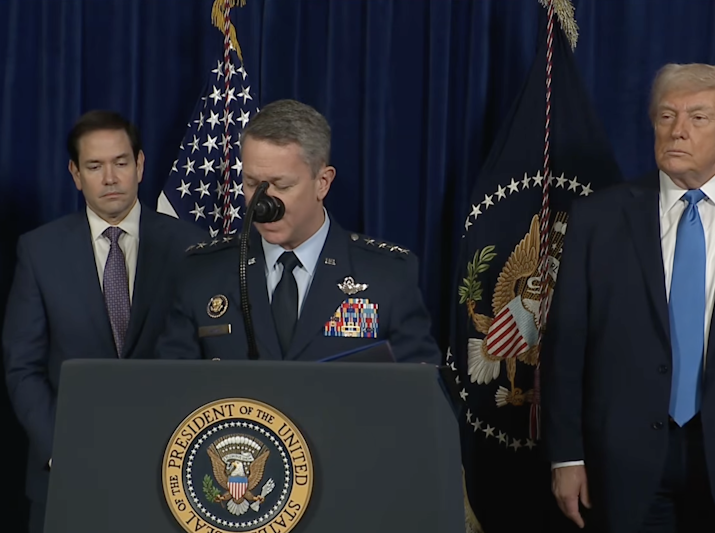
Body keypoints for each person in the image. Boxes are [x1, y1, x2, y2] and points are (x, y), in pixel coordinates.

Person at [540, 63, 715, 533]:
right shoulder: (598, 219)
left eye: (698, 118)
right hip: (622, 465)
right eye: (666, 116)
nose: (678, 130)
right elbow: (566, 346)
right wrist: (567, 456)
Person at [2, 110, 205, 533]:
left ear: (140, 165)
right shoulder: (39, 252)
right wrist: (60, 448)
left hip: (168, 474)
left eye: (121, 162)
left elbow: (205, 357)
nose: (110, 178)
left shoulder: (190, 247)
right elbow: (23, 366)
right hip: (67, 474)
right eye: (95, 166)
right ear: (76, 174)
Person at [155, 99, 440, 364]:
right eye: (253, 184)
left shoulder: (387, 277)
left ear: (322, 183)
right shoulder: (202, 273)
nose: (263, 205)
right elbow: (171, 389)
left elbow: (419, 392)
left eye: (282, 186)